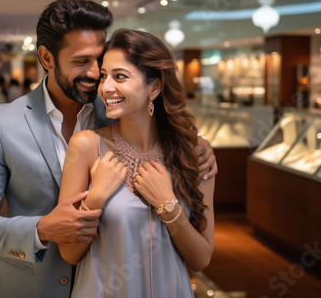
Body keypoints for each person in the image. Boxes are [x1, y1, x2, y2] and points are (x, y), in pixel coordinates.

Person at [0, 0, 217, 298]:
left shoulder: (118, 111)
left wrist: (196, 146)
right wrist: (42, 229)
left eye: (100, 60)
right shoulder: (2, 123)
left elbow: (159, 126)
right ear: (47, 58)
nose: (95, 74)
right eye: (81, 61)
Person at [57, 29, 215, 297]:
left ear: (154, 86)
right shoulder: (87, 146)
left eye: (120, 76)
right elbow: (69, 253)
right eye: (104, 76)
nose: (106, 88)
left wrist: (168, 205)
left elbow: (201, 259)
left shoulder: (193, 154)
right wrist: (94, 199)